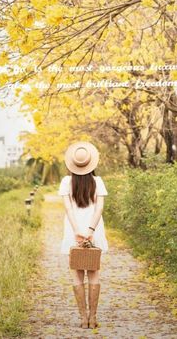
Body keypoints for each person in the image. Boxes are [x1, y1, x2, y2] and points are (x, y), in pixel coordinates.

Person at [58, 141, 109, 329]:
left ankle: (83, 318)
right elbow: (99, 208)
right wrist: (90, 231)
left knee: (76, 275)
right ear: (91, 163)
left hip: (73, 231)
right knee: (94, 273)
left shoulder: (66, 182)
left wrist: (77, 231)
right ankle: (93, 317)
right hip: (94, 231)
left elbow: (68, 208)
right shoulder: (98, 182)